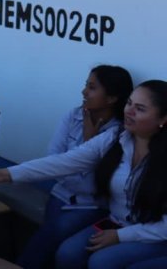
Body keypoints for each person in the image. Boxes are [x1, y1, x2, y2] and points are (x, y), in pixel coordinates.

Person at [0, 80, 167, 269]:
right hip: (116, 223)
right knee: (68, 253)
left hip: (156, 234)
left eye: (140, 109)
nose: (129, 111)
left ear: (163, 119)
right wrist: (6, 174)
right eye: (129, 103)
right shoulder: (115, 137)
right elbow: (65, 162)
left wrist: (120, 236)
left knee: (101, 262)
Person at [17, 65, 134, 269]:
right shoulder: (74, 116)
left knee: (55, 234)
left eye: (92, 88)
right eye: (86, 85)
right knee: (50, 235)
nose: (84, 92)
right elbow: (53, 159)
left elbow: (99, 185)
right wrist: (73, 168)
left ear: (111, 98)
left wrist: (88, 142)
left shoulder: (118, 133)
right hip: (60, 194)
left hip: (92, 204)